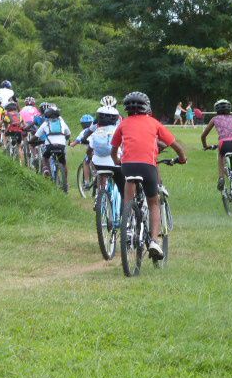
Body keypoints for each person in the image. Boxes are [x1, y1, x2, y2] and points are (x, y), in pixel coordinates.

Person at [110, 92, 187, 260]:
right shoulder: (154, 123)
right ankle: (153, 240)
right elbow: (176, 146)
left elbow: (114, 149)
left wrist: (117, 161)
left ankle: (128, 225)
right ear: (147, 107)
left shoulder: (123, 124)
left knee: (128, 194)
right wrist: (182, 158)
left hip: (128, 166)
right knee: (153, 202)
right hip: (148, 166)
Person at [200, 99, 232, 210]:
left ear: (216, 110)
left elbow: (203, 135)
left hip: (224, 144)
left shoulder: (215, 119)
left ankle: (221, 178)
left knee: (221, 154)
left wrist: (205, 146)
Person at [88, 106, 125, 197]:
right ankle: (125, 207)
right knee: (124, 190)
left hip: (98, 163)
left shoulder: (96, 132)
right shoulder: (118, 131)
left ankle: (99, 195)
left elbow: (89, 150)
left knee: (101, 174)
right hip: (115, 163)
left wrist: (90, 157)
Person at [34, 105, 71, 180]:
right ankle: (66, 182)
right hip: (61, 145)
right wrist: (64, 139)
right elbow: (68, 134)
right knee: (63, 163)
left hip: (50, 146)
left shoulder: (46, 123)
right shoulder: (61, 122)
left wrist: (30, 141)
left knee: (45, 157)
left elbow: (36, 135)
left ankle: (46, 170)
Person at [69, 114, 95, 189]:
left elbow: (76, 142)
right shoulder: (96, 129)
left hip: (92, 150)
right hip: (100, 149)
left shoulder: (84, 131)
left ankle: (86, 182)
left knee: (86, 162)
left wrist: (71, 144)